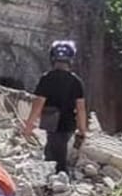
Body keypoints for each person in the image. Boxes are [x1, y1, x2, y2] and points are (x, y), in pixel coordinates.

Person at [23, 40, 88, 174]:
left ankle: (58, 182)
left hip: (51, 123)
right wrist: (82, 129)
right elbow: (81, 108)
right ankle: (57, 181)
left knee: (55, 157)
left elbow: (38, 104)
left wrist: (29, 125)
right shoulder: (76, 81)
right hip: (69, 124)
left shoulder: (46, 78)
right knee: (59, 151)